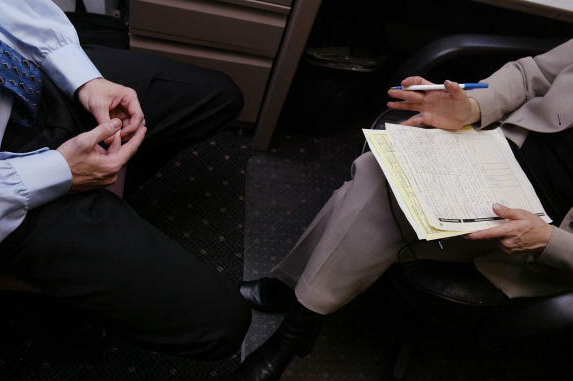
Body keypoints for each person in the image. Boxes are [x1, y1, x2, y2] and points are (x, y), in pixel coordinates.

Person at [233, 39, 573, 380]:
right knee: (382, 174)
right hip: (498, 156)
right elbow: (532, 74)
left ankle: (294, 321)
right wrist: (473, 108)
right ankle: (298, 317)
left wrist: (547, 241)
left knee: (374, 177)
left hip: (539, 225)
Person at [0, 1, 251, 360]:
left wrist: (85, 79)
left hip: (22, 79)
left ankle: (107, 194)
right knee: (221, 326)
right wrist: (60, 173)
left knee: (220, 96)